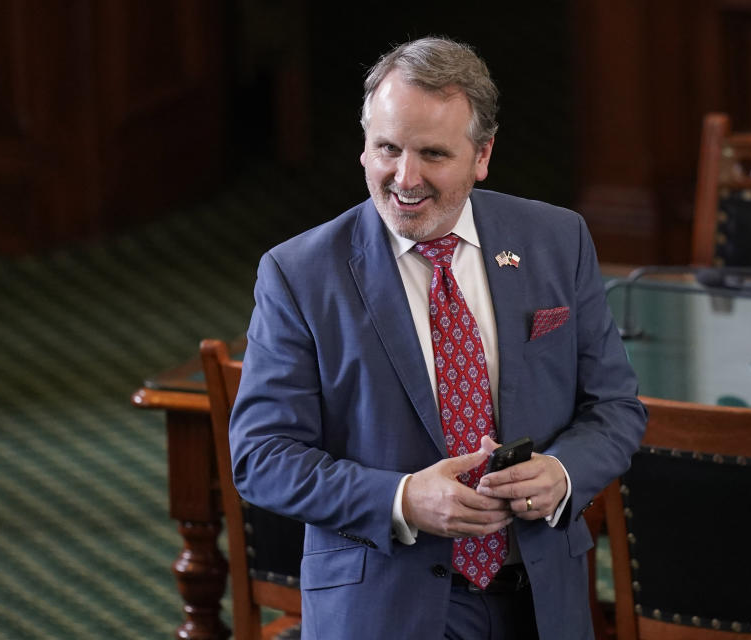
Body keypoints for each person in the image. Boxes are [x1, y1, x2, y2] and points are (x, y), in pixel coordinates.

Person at [229, 36, 646, 640]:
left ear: (482, 155)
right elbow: (261, 457)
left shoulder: (558, 239)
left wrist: (562, 472)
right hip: (385, 605)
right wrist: (402, 499)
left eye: (432, 154)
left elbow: (615, 407)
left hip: (541, 601)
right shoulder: (299, 274)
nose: (405, 178)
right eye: (387, 149)